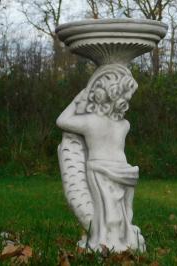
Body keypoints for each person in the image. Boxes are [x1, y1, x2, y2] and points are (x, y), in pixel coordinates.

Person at [56, 64, 146, 252]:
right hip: (123, 170)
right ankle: (120, 238)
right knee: (120, 209)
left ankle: (107, 241)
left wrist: (78, 99)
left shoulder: (90, 122)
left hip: (100, 169)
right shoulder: (124, 124)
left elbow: (62, 121)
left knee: (108, 210)